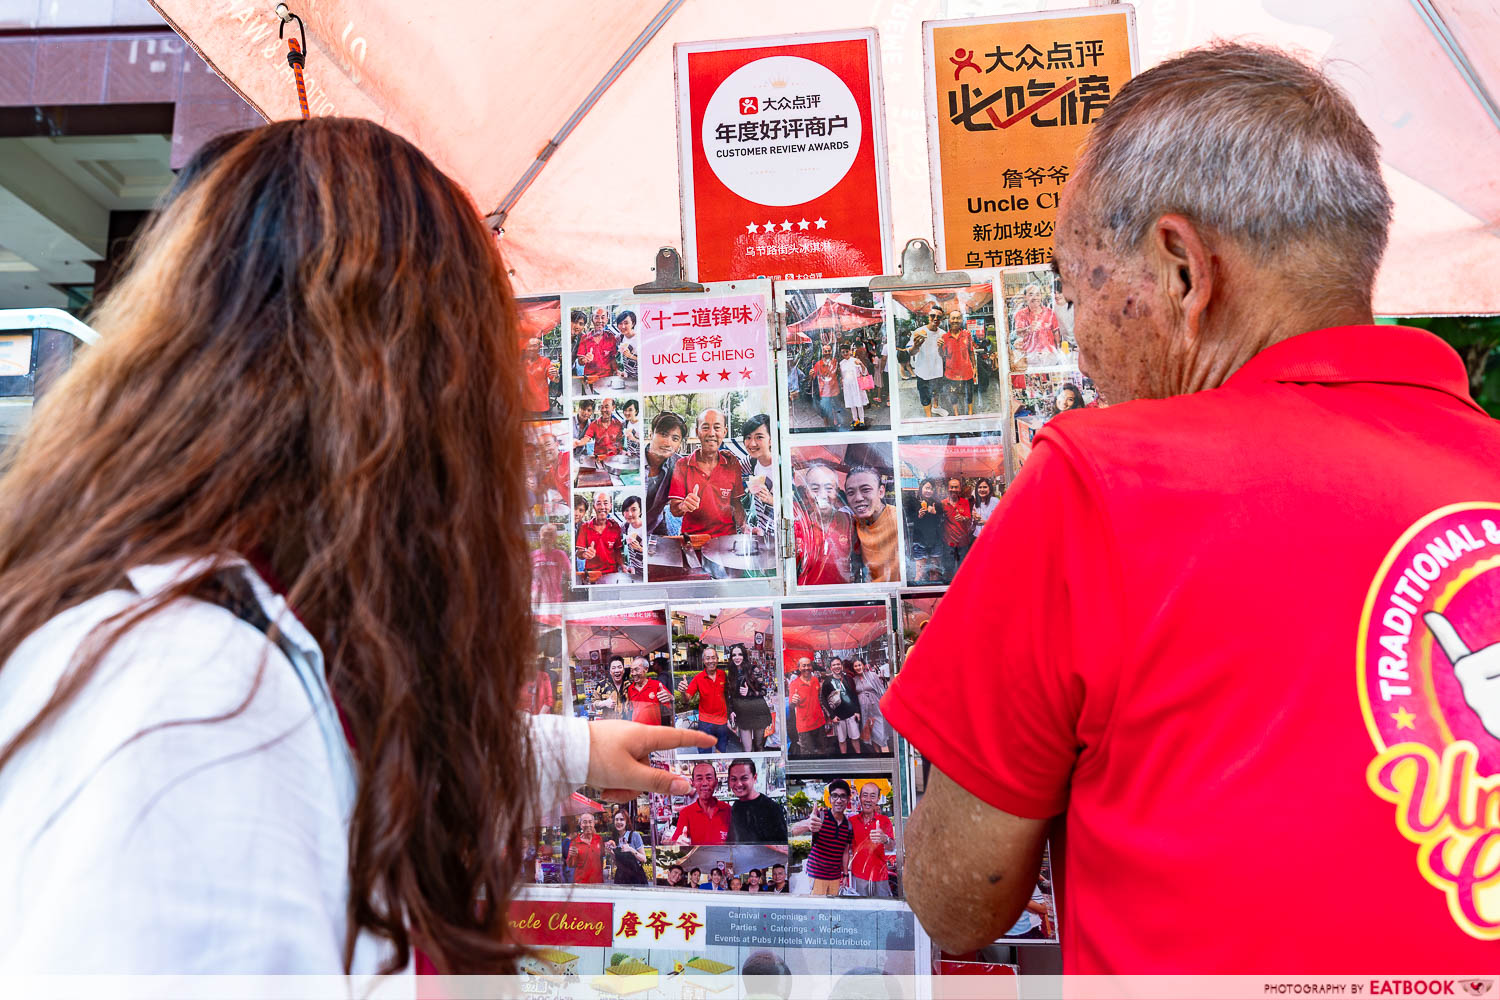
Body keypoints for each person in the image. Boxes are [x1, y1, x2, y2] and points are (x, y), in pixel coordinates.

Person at [0, 119, 715, 976]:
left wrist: (571, 750)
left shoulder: (222, 638)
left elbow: (350, 746)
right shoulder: (193, 702)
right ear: (412, 400)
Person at [883, 44, 1500, 973]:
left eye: (1071, 282)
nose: (1078, 339)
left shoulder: (1100, 480)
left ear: (1180, 270)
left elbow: (954, 896)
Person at [668, 408, 747, 541]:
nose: (711, 433)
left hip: (726, 541)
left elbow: (736, 503)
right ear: (697, 432)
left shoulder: (732, 464)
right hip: (693, 541)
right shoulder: (682, 465)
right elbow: (674, 509)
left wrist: (745, 526)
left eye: (717, 427)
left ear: (724, 432)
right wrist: (684, 505)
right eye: (705, 427)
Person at [793, 462, 856, 586]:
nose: (822, 495)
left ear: (837, 492)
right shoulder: (798, 527)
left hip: (844, 599)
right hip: (806, 601)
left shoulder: (849, 523)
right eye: (815, 489)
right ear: (806, 492)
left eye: (828, 488)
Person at [790, 779, 852, 895]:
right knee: (814, 911)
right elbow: (793, 830)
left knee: (831, 912)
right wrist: (807, 824)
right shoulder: (820, 816)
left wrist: (845, 874)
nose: (839, 800)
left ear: (848, 799)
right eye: (835, 796)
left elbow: (845, 851)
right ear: (829, 799)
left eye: (843, 796)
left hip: (835, 878)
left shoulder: (848, 825)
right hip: (816, 876)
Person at [844, 466, 898, 583]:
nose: (858, 498)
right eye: (851, 493)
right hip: (873, 594)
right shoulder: (854, 522)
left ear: (881, 492)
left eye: (866, 490)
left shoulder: (897, 519)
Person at [677, 646, 731, 751]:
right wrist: (683, 692)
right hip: (705, 723)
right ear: (703, 661)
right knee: (704, 755)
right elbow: (687, 699)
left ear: (717, 659)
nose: (711, 661)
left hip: (722, 722)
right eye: (707, 658)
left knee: (721, 753)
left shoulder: (723, 675)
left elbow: (729, 694)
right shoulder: (698, 678)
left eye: (713, 657)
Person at [847, 782, 894, 898]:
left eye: (872, 796)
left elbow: (891, 846)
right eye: (865, 795)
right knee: (861, 912)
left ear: (878, 799)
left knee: (883, 911)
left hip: (880, 877)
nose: (868, 799)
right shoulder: (851, 821)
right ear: (860, 797)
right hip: (858, 877)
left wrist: (885, 839)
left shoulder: (884, 820)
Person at [727, 757, 789, 843]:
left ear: (754, 778)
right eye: (734, 779)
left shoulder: (771, 808)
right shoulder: (735, 807)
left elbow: (782, 845)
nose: (738, 784)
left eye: (744, 778)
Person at [670, 760, 732, 846]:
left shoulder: (728, 810)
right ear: (693, 783)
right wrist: (678, 843)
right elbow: (675, 843)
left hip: (724, 859)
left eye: (709, 778)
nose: (704, 783)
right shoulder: (686, 813)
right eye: (699, 779)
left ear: (716, 782)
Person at [645, 410, 686, 534]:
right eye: (663, 434)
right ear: (651, 433)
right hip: (631, 526)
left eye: (675, 438)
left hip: (656, 525)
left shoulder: (679, 465)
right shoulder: (634, 459)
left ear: (679, 443)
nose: (668, 443)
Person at [726, 643, 773, 752]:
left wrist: (750, 692)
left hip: (757, 711)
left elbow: (764, 691)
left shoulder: (753, 669)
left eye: (740, 654)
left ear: (744, 656)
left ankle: (759, 768)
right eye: (734, 655)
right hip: (743, 714)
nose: (737, 657)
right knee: (747, 749)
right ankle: (749, 768)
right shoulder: (731, 673)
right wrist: (731, 711)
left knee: (758, 746)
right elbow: (731, 696)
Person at [739, 414, 777, 540]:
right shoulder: (751, 462)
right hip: (762, 535)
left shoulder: (782, 466)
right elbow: (730, 471)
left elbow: (797, 506)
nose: (752, 443)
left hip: (782, 537)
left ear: (771, 440)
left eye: (759, 437)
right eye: (748, 437)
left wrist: (771, 500)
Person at [904, 478, 946, 582]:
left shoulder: (937, 504)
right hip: (919, 541)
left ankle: (933, 597)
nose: (929, 491)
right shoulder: (913, 502)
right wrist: (918, 515)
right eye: (926, 488)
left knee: (935, 572)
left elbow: (941, 521)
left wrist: (935, 513)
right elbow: (908, 518)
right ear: (921, 488)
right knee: (920, 573)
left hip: (935, 540)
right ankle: (914, 596)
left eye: (931, 489)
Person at [575, 491, 623, 579]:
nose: (602, 507)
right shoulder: (585, 527)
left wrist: (623, 566)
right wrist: (585, 554)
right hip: (592, 574)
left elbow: (617, 551)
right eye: (598, 503)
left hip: (612, 574)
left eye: (605, 503)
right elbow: (579, 553)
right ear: (594, 506)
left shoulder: (615, 526)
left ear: (610, 506)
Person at [909, 306, 947, 417]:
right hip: (923, 370)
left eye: (939, 317)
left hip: (937, 370)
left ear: (941, 319)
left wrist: (941, 348)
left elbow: (944, 355)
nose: (936, 318)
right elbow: (911, 352)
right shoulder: (919, 332)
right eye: (933, 316)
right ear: (928, 317)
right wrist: (916, 346)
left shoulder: (943, 334)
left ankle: (936, 407)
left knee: (936, 391)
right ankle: (929, 417)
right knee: (924, 395)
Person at [940, 310, 978, 416]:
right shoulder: (944, 337)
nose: (955, 321)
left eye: (958, 318)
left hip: (967, 372)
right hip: (951, 373)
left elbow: (971, 352)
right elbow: (942, 355)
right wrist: (939, 347)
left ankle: (970, 413)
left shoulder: (967, 335)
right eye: (953, 318)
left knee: (969, 393)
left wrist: (974, 367)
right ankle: (956, 414)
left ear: (961, 320)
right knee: (953, 395)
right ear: (949, 320)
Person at [820, 658, 861, 755]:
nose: (836, 666)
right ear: (831, 668)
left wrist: (857, 711)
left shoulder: (848, 679)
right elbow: (823, 700)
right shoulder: (827, 682)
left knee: (855, 738)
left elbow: (854, 696)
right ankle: (844, 758)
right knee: (842, 741)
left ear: (841, 666)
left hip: (851, 714)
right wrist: (832, 716)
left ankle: (860, 756)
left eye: (838, 664)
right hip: (838, 717)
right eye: (834, 665)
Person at [787, 658, 827, 757]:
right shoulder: (794, 684)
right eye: (803, 665)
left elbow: (819, 698)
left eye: (808, 665)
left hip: (819, 722)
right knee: (807, 754)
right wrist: (793, 701)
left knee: (822, 751)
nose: (806, 668)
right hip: (804, 727)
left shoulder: (815, 680)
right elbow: (791, 706)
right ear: (799, 668)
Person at [1012, 284, 1061, 362]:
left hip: (1049, 354)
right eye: (1031, 294)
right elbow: (1018, 333)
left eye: (1037, 294)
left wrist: (1059, 350)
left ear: (1041, 297)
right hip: (1030, 355)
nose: (1035, 298)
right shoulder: (1020, 314)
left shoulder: (1050, 312)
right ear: (1025, 297)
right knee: (1035, 374)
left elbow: (1056, 332)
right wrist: (1029, 329)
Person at [851, 660, 890, 754]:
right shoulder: (854, 679)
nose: (858, 667)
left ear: (863, 665)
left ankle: (886, 757)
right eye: (855, 666)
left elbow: (881, 690)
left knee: (881, 733)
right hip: (864, 710)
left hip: (876, 708)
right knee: (871, 733)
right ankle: (878, 754)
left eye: (859, 665)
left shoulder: (872, 675)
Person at [606, 808, 649, 886]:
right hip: (621, 877)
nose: (619, 822)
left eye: (622, 819)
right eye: (616, 819)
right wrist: (611, 853)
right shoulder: (614, 838)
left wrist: (631, 849)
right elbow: (617, 863)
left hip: (636, 877)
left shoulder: (635, 835)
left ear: (626, 822)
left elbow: (644, 859)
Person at [530, 522, 570, 606]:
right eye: (545, 535)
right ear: (539, 536)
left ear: (555, 538)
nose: (547, 538)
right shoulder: (532, 556)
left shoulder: (560, 555)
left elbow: (570, 575)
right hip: (535, 601)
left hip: (555, 602)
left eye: (551, 535)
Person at [625, 656, 672, 726]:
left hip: (653, 731)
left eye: (636, 670)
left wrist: (670, 697)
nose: (633, 674)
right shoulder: (630, 688)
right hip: (636, 730)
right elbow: (631, 710)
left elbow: (669, 709)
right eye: (631, 670)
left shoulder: (657, 685)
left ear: (646, 669)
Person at [940, 478, 972, 576]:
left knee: (963, 569)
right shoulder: (942, 503)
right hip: (948, 543)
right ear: (948, 488)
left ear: (960, 489)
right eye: (952, 487)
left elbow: (969, 518)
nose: (954, 489)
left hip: (963, 542)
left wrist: (963, 518)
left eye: (956, 487)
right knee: (948, 570)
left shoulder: (965, 502)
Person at [577, 307, 617, 387]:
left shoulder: (611, 337)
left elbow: (612, 359)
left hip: (607, 380)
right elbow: (580, 361)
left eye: (603, 317)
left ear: (607, 320)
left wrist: (616, 371)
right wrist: (585, 359)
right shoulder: (585, 338)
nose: (600, 321)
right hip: (590, 379)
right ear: (592, 319)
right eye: (597, 317)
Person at [579, 396, 625, 463]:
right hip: (599, 460)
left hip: (615, 460)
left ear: (613, 408)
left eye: (606, 407)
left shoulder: (618, 424)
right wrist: (577, 443)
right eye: (602, 407)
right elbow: (585, 439)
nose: (603, 410)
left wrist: (622, 453)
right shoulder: (594, 424)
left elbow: (619, 444)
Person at [522, 337, 558, 416]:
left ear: (540, 346)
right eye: (529, 346)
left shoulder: (545, 361)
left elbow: (555, 380)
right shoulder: (520, 363)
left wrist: (556, 374)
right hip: (524, 407)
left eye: (535, 345)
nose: (531, 348)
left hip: (541, 407)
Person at [567, 813, 605, 885]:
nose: (588, 825)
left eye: (590, 822)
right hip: (581, 883)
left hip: (598, 882)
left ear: (594, 824)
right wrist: (571, 855)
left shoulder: (599, 839)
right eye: (584, 822)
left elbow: (602, 859)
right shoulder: (575, 842)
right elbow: (571, 865)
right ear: (580, 825)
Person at [839, 343, 869, 429]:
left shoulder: (855, 360)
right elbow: (842, 375)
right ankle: (855, 419)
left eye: (846, 351)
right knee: (851, 403)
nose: (845, 353)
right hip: (847, 386)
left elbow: (864, 372)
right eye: (843, 352)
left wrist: (861, 364)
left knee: (859, 403)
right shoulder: (841, 363)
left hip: (856, 385)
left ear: (850, 351)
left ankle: (862, 420)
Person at [590, 656, 628, 720]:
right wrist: (604, 703)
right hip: (609, 725)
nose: (617, 670)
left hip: (626, 724)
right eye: (613, 668)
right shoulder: (601, 685)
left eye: (619, 667)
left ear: (623, 670)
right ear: (610, 671)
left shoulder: (629, 685)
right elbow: (593, 703)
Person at [621, 495, 644, 579]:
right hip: (634, 570)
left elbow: (657, 554)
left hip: (648, 570)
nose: (629, 514)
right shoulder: (625, 526)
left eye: (634, 510)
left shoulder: (648, 527)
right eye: (626, 510)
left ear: (641, 511)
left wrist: (640, 549)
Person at [615, 309, 639, 387]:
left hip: (640, 377)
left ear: (633, 323)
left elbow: (647, 360)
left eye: (626, 323)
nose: (623, 326)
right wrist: (621, 371)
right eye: (620, 323)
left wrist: (630, 356)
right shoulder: (619, 337)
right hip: (627, 377)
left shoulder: (639, 338)